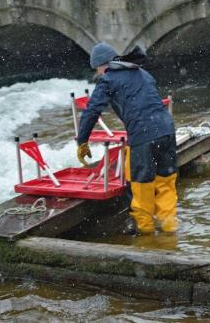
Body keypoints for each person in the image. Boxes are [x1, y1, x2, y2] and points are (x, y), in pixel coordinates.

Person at [76, 43, 178, 234]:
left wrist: (82, 141)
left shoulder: (108, 79)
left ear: (101, 65)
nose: (97, 73)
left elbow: (91, 111)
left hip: (142, 135)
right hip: (167, 130)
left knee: (141, 185)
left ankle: (144, 234)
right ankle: (169, 229)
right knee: (165, 182)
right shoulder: (142, 73)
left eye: (96, 69)